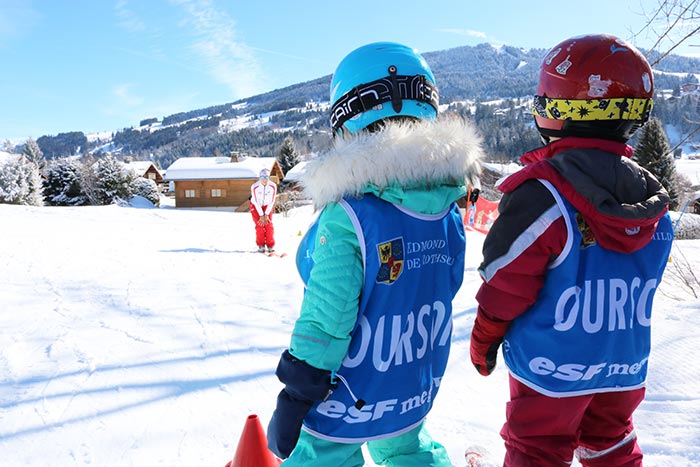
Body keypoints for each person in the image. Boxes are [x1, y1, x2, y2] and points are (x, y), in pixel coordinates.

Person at [267, 42, 484, 467]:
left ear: (347, 119)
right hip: (411, 382)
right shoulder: (446, 207)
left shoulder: (348, 216)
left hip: (347, 391)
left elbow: (327, 318)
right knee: (406, 450)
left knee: (323, 456)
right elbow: (443, 286)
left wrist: (297, 392)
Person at [469, 34, 674, 467]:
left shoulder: (542, 194)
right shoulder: (653, 205)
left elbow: (505, 279)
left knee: (537, 444)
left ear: (559, 108)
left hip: (553, 369)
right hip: (623, 366)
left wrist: (486, 334)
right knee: (610, 440)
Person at [250, 168, 277, 253]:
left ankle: (270, 245)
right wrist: (262, 215)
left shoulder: (273, 186)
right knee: (260, 224)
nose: (264, 179)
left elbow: (272, 200)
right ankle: (261, 245)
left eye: (266, 177)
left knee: (268, 225)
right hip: (255, 205)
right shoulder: (254, 187)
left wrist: (266, 214)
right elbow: (256, 202)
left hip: (267, 206)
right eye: (262, 177)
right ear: (259, 177)